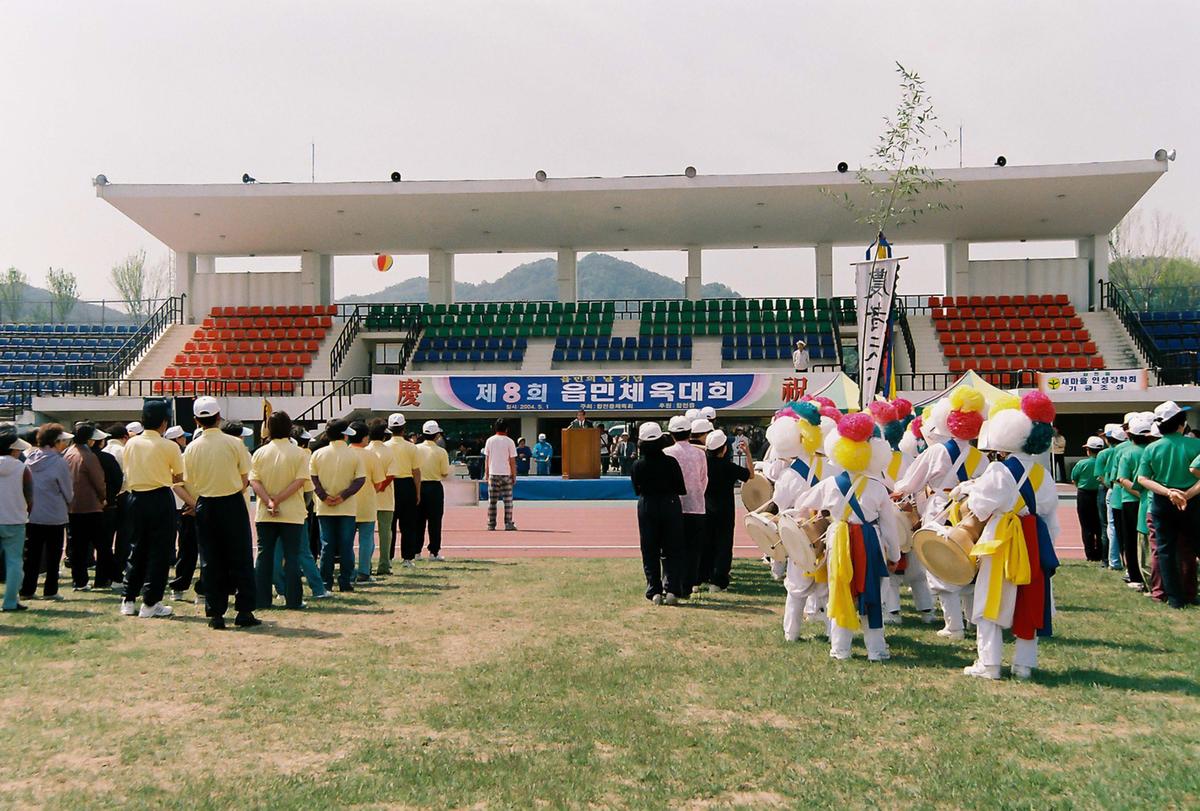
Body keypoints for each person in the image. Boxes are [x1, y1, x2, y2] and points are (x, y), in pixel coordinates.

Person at [960, 392, 1060, 681]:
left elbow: (980, 507)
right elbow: (1050, 516)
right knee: (1030, 599)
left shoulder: (998, 470)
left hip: (1001, 539)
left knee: (990, 598)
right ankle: (1024, 665)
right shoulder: (1043, 474)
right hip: (1034, 538)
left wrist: (970, 491)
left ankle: (989, 664)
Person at [794, 413, 902, 661]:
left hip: (838, 541)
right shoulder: (877, 486)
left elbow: (802, 504)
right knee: (872, 593)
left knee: (839, 590)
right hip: (870, 541)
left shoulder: (829, 484)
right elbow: (889, 526)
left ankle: (840, 648)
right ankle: (876, 649)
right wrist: (895, 555)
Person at [892, 389, 988, 640]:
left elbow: (910, 483)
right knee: (969, 564)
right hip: (969, 514)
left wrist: (898, 490)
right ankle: (973, 621)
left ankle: (953, 626)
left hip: (940, 511)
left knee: (940, 565)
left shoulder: (936, 452)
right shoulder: (980, 457)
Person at [184, 397, 259, 629]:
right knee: (241, 556)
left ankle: (216, 613)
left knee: (211, 559)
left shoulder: (191, 448)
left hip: (206, 504)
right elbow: (245, 478)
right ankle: (244, 611)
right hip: (232, 502)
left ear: (196, 420)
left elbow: (189, 480)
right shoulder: (234, 443)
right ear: (219, 417)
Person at [119, 400, 186, 619]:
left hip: (135, 497)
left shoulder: (131, 443)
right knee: (160, 551)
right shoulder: (170, 446)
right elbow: (178, 477)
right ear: (164, 422)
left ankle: (128, 599)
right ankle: (150, 602)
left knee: (136, 548)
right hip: (159, 497)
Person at [1136, 401, 1200, 609]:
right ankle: (1190, 592)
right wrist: (1185, 495)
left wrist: (1168, 492)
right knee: (1191, 548)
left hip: (1162, 501)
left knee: (1165, 550)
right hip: (1192, 499)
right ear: (1182, 423)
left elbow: (1143, 479)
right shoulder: (1196, 445)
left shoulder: (1152, 448)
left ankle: (1174, 598)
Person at [250, 411, 310, 611]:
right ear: (289, 428)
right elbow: (300, 481)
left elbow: (254, 481)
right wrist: (279, 500)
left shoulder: (259, 452)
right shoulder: (299, 453)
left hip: (265, 512)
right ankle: (294, 600)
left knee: (264, 556)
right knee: (292, 556)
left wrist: (269, 501)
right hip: (292, 512)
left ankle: (261, 599)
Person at [630, 422, 686, 605]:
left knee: (649, 548)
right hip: (670, 504)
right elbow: (681, 488)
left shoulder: (638, 465)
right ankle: (672, 589)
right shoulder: (671, 462)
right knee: (673, 547)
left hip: (647, 505)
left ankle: (654, 590)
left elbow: (637, 490)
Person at [311, 419, 367, 592]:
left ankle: (326, 582)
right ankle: (345, 581)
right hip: (346, 506)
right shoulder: (354, 455)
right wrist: (343, 496)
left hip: (324, 506)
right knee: (346, 545)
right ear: (345, 435)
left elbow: (313, 478)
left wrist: (323, 496)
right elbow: (360, 479)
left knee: (326, 545)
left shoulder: (317, 454)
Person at [21, 424, 73, 602]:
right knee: (53, 554)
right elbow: (68, 491)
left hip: (33, 514)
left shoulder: (29, 459)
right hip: (54, 514)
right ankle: (50, 590)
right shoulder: (59, 462)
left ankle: (27, 589)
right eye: (62, 441)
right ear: (55, 442)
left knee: (31, 555)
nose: (64, 444)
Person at [663, 414, 708, 598]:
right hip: (696, 506)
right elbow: (704, 479)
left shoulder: (666, 453)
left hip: (673, 507)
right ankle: (687, 586)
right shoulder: (700, 454)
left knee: (671, 548)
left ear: (671, 434)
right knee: (693, 550)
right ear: (689, 433)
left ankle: (671, 584)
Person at [703, 429, 753, 592]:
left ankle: (703, 576)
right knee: (723, 545)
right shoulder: (728, 466)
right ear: (724, 449)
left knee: (706, 543)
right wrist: (748, 453)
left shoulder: (702, 464)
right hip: (724, 510)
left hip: (705, 508)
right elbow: (750, 475)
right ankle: (718, 582)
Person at [64, 423, 109, 591]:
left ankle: (79, 581)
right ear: (90, 439)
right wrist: (103, 498)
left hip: (72, 505)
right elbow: (99, 481)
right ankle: (112, 577)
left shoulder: (68, 453)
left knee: (77, 546)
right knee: (102, 545)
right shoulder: (88, 456)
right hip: (90, 505)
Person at [1115, 413, 1156, 592]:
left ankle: (1135, 576)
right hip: (1156, 498)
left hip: (1130, 500)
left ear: (1130, 435)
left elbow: (1121, 479)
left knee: (1131, 540)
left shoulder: (1127, 453)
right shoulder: (1153, 449)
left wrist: (1139, 493)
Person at [164, 426, 201, 603]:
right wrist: (199, 506)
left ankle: (180, 587)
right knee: (194, 551)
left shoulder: (184, 457)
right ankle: (197, 589)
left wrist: (195, 505)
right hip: (190, 508)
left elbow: (177, 484)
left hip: (188, 507)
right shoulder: (180, 457)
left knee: (187, 551)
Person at [0, 426, 32, 612]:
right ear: (12, 450)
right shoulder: (22, 468)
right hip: (14, 519)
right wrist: (27, 511)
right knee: (14, 562)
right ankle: (10, 601)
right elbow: (29, 495)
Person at [349, 420, 385, 584]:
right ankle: (364, 572)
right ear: (365, 437)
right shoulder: (371, 455)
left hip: (347, 504)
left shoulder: (345, 453)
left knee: (347, 541)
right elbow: (379, 483)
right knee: (366, 540)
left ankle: (349, 572)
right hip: (367, 503)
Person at [386, 414, 423, 569]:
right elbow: (416, 472)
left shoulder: (385, 446)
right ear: (403, 429)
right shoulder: (411, 447)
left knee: (389, 523)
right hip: (407, 484)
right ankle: (408, 558)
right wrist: (418, 492)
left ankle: (388, 557)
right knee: (408, 524)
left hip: (389, 484)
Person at [367, 419, 400, 576]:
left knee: (366, 534)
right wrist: (380, 486)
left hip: (367, 498)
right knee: (385, 533)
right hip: (385, 498)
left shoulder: (365, 450)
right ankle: (384, 564)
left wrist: (374, 487)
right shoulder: (389, 452)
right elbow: (391, 474)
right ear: (385, 435)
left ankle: (365, 565)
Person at [415, 420, 451, 560]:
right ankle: (434, 552)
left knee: (418, 521)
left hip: (418, 486)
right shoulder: (441, 452)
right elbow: (444, 473)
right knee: (435, 521)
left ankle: (416, 551)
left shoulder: (416, 449)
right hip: (435, 487)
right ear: (437, 435)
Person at [95, 428, 123, 590]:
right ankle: (109, 577)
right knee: (106, 544)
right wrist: (111, 495)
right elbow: (119, 479)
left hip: (81, 505)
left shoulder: (74, 455)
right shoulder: (107, 457)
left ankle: (82, 580)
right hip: (109, 503)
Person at [1095, 424, 1125, 571]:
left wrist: (1109, 485)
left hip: (1113, 489)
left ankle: (1110, 560)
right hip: (1129, 490)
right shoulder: (1127, 448)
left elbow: (1103, 476)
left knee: (1108, 526)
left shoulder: (1106, 453)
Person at [1071, 436, 1106, 563]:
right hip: (1101, 492)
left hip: (1084, 494)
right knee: (1101, 525)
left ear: (1088, 450)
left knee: (1086, 526)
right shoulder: (1105, 462)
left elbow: (1074, 479)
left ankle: (1090, 554)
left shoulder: (1082, 463)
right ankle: (1102, 552)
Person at [483, 418, 518, 532]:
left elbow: (487, 459)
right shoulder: (510, 442)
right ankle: (508, 523)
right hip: (506, 474)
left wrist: (486, 474)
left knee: (492, 501)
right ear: (506, 429)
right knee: (508, 501)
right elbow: (512, 461)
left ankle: (491, 524)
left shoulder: (490, 441)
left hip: (493, 473)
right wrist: (514, 475)